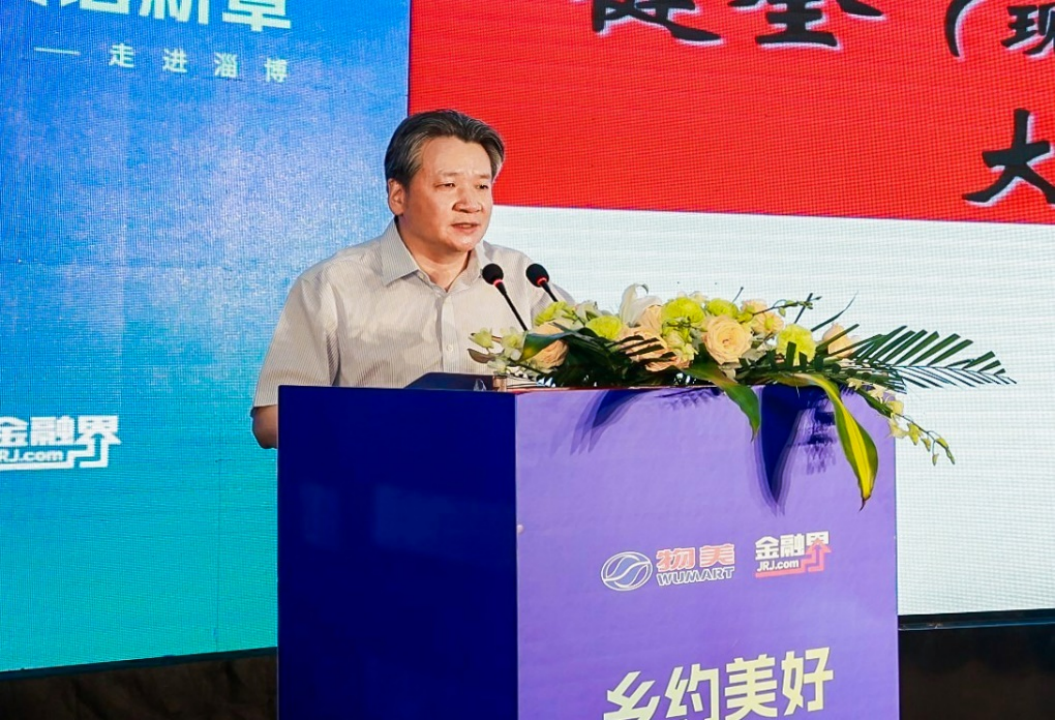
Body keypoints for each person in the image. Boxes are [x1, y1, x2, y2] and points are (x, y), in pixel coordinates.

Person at [251, 110, 562, 448]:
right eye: (448, 185)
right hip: (377, 477)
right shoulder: (332, 284)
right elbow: (271, 420)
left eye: (482, 186)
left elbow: (594, 376)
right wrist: (383, 427)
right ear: (398, 196)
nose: (471, 203)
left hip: (505, 477)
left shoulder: (521, 279)